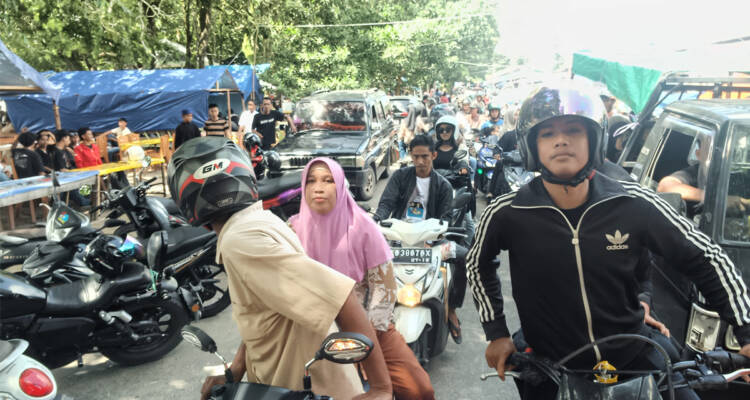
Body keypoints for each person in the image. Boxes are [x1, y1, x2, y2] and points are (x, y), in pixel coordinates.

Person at [467, 82, 750, 399]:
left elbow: (706, 257)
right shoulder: (508, 211)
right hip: (550, 363)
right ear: (532, 145)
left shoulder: (635, 202)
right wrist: (496, 333)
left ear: (594, 139)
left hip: (633, 356)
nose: (561, 140)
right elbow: (478, 263)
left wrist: (746, 330)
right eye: (547, 133)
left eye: (573, 130)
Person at [168, 137, 392, 400]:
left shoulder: (240, 241)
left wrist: (380, 388)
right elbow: (269, 307)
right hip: (285, 385)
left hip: (310, 390)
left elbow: (339, 296)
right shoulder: (259, 221)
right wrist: (237, 367)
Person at [290, 157, 435, 400]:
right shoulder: (291, 231)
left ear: (340, 184)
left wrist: (362, 342)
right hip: (312, 330)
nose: (318, 187)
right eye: (311, 180)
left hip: (369, 327)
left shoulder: (363, 227)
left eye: (328, 180)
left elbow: (384, 289)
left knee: (419, 389)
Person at [374, 134, 468, 344]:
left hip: (431, 240)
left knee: (464, 258)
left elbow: (445, 218)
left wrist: (435, 237)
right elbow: (386, 204)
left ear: (434, 155)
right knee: (368, 262)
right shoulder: (400, 177)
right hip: (398, 237)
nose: (420, 161)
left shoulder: (442, 185)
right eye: (416, 156)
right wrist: (375, 220)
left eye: (425, 156)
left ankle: (452, 309)